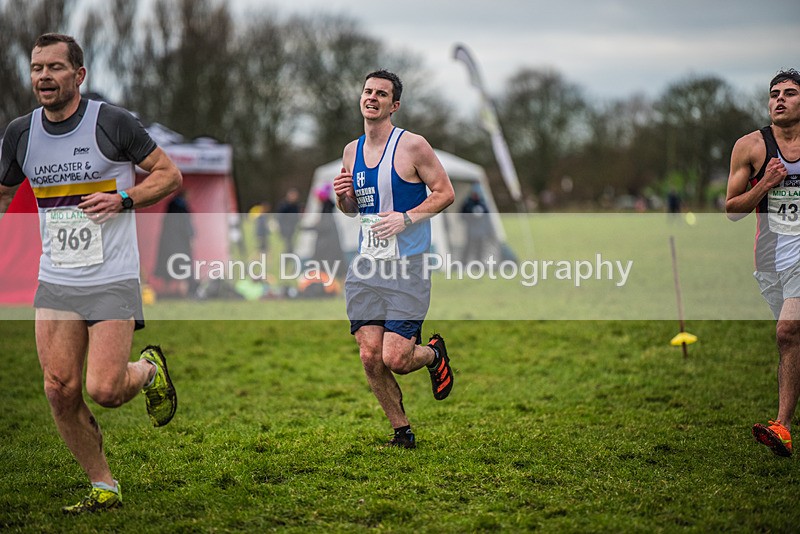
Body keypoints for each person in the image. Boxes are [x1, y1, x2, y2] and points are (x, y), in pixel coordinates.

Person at [0, 33, 181, 512]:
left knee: (105, 390)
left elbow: (168, 174)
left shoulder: (113, 122)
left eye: (55, 68)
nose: (44, 76)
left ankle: (147, 370)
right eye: (37, 68)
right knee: (59, 388)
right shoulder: (21, 133)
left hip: (111, 276)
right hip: (57, 278)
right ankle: (103, 484)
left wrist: (122, 199)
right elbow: (3, 193)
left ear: (78, 75)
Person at [333, 70, 456, 448]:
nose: (372, 98)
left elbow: (445, 192)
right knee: (370, 355)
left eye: (381, 94)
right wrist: (343, 197)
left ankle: (433, 354)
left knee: (397, 358)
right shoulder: (351, 151)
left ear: (394, 105)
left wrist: (406, 218)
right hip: (366, 266)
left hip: (409, 266)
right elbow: (353, 210)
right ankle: (402, 432)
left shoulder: (413, 146)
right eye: (367, 91)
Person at [725, 68, 800, 458]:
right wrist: (766, 184)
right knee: (793, 341)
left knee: (788, 332)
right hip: (771, 260)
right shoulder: (751, 147)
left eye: (789, 93)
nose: (780, 99)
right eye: (774, 94)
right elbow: (731, 209)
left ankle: (782, 428)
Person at [460, 188, 495, 263]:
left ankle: (479, 264)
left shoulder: (483, 203)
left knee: (480, 249)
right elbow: (462, 216)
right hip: (471, 231)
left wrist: (488, 231)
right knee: (468, 248)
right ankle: (463, 263)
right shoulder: (467, 204)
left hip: (481, 232)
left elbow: (487, 218)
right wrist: (471, 216)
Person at [276, 187, 301, 254]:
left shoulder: (295, 206)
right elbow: (280, 218)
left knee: (291, 245)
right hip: (286, 229)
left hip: (293, 228)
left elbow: (296, 217)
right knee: (288, 246)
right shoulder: (284, 206)